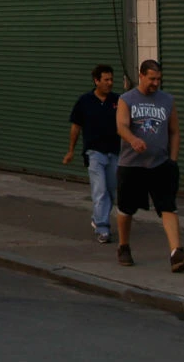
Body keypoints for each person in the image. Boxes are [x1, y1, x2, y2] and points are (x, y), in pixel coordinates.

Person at [115, 59, 184, 273]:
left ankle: (176, 253)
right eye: (152, 79)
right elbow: (121, 126)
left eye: (158, 79)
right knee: (126, 208)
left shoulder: (167, 100)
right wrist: (133, 140)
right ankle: (123, 246)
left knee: (168, 206)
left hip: (160, 164)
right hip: (132, 165)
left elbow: (175, 131)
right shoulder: (127, 99)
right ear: (141, 75)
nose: (155, 83)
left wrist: (173, 159)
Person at [63, 64, 121, 244]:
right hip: (94, 153)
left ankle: (97, 218)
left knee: (111, 191)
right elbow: (76, 127)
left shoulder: (118, 101)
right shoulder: (84, 101)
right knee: (100, 190)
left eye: (111, 79)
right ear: (96, 81)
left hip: (114, 153)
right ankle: (103, 228)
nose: (110, 83)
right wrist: (71, 151)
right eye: (106, 80)